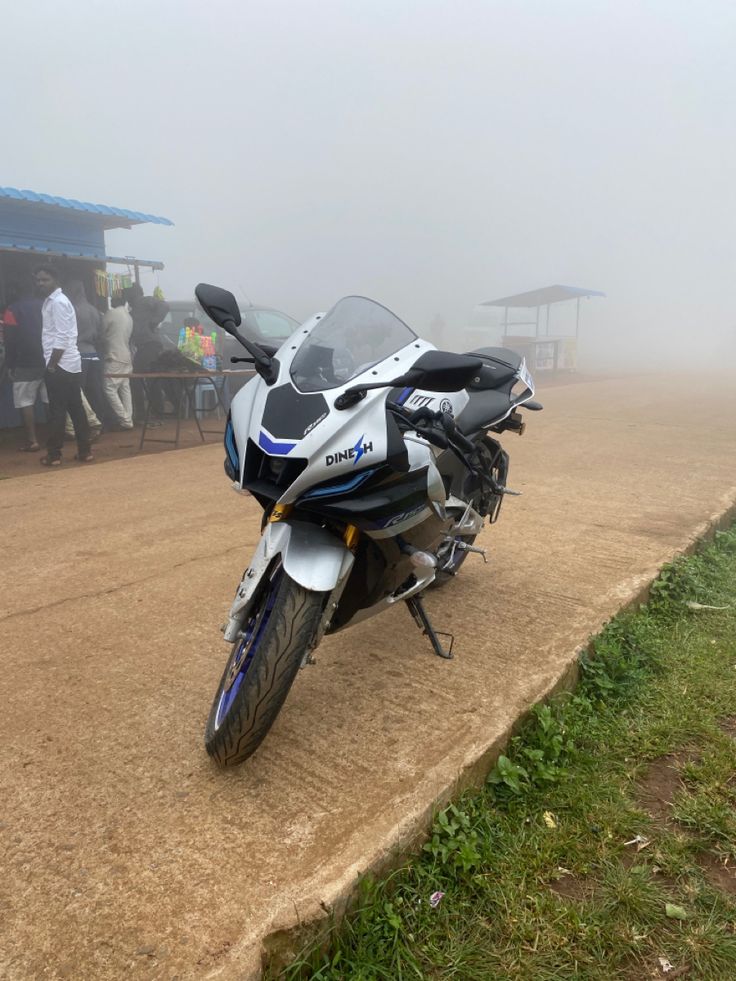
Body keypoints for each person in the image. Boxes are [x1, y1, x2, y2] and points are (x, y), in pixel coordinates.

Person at [34, 265, 92, 466]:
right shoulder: (53, 301)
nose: (41, 283)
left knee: (58, 411)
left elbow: (62, 336)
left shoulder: (58, 302)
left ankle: (54, 455)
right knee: (75, 408)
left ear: (55, 280)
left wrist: (51, 365)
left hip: (61, 365)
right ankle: (85, 451)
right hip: (68, 364)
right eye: (38, 280)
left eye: (45, 279)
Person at [2, 288, 46, 451]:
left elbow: (9, 340)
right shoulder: (44, 305)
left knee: (25, 401)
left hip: (24, 362)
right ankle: (55, 436)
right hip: (47, 360)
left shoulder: (12, 310)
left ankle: (32, 441)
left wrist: (10, 364)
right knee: (49, 399)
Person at [65, 280, 107, 428]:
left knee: (78, 391)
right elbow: (101, 335)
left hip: (79, 353)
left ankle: (83, 424)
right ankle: (101, 421)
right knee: (95, 389)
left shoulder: (73, 310)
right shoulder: (94, 310)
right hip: (93, 353)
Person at [126, 284, 169, 423]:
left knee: (137, 377)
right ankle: (156, 411)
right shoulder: (134, 309)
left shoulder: (144, 301)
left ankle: (143, 413)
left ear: (133, 295)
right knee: (151, 379)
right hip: (148, 346)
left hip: (150, 345)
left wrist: (154, 322)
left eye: (128, 295)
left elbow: (164, 305)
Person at [101, 295, 134, 429]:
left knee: (109, 388)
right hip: (126, 355)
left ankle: (125, 419)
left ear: (114, 301)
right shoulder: (128, 317)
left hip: (113, 356)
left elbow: (101, 333)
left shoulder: (111, 314)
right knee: (125, 388)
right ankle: (128, 418)